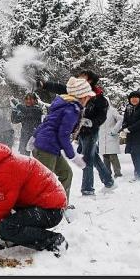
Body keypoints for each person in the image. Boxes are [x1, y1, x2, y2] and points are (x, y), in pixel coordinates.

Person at [37, 69, 115, 195]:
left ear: (90, 80)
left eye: (83, 77)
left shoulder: (99, 98)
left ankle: (87, 189)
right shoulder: (74, 93)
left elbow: (102, 116)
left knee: (87, 159)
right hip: (78, 132)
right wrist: (45, 85)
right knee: (93, 157)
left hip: (90, 132)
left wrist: (91, 122)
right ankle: (109, 181)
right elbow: (60, 88)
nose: (79, 78)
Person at [31, 77, 93, 205]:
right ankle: (40, 209)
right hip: (46, 149)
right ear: (82, 96)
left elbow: (48, 122)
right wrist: (73, 156)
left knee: (66, 173)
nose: (89, 99)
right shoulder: (71, 109)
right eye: (88, 97)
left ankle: (60, 205)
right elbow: (63, 135)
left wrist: (34, 136)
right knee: (43, 182)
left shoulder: (65, 104)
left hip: (50, 147)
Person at [121, 91, 140, 182]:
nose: (134, 99)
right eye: (132, 97)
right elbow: (125, 120)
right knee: (133, 155)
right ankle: (137, 174)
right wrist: (124, 127)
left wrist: (130, 128)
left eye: (136, 97)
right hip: (131, 137)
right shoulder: (128, 108)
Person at [99, 98, 123, 178]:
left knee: (113, 156)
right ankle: (107, 173)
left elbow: (120, 119)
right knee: (105, 156)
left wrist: (115, 130)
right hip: (102, 137)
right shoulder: (99, 111)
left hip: (111, 136)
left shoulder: (113, 110)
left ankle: (118, 173)